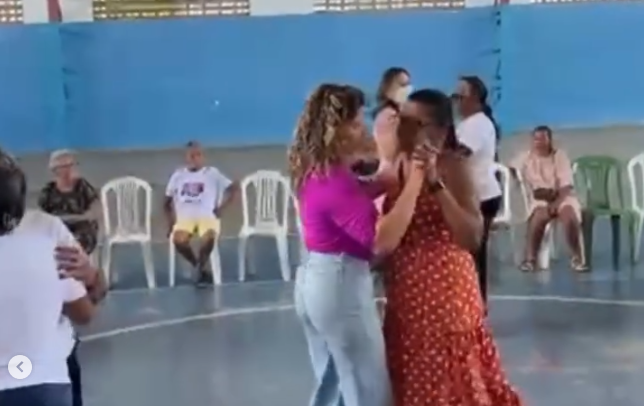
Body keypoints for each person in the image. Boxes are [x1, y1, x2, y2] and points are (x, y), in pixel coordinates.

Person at [378, 89, 522, 406]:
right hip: (405, 297)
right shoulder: (396, 164)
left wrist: (435, 184)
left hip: (445, 295)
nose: (405, 130)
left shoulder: (454, 166)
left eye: (416, 123)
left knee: (447, 383)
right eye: (402, 120)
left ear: (440, 131)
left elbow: (471, 237)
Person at [288, 83, 391, 406]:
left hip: (316, 278)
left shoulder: (318, 169)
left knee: (335, 387)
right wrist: (413, 184)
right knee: (366, 388)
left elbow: (351, 200)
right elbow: (378, 242)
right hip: (339, 285)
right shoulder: (334, 181)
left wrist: (385, 181)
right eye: (357, 123)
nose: (364, 130)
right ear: (338, 130)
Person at [0, 149, 105, 406]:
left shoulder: (46, 229)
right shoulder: (44, 232)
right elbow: (84, 313)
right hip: (45, 379)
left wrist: (92, 277)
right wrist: (94, 279)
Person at [452, 75, 502, 303]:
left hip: (481, 195)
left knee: (474, 254)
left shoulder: (478, 124)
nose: (456, 102)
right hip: (471, 194)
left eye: (459, 97)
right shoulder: (466, 123)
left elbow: (460, 154)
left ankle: (477, 304)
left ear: (473, 99)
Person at [510, 125, 586, 272]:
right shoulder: (527, 157)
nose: (539, 143)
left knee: (569, 216)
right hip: (540, 199)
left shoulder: (559, 156)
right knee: (538, 217)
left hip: (562, 197)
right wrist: (520, 181)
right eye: (536, 139)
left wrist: (557, 203)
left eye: (543, 139)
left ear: (550, 140)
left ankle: (577, 258)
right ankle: (530, 260)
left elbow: (566, 185)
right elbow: (511, 168)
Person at [164, 141, 237, 287]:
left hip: (207, 217)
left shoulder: (212, 173)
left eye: (197, 155)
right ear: (186, 158)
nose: (194, 158)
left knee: (208, 238)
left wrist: (222, 208)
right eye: (191, 155)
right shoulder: (178, 175)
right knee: (179, 240)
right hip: (185, 218)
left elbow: (234, 188)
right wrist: (170, 222)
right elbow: (166, 202)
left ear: (202, 157)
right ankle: (199, 266)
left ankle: (200, 269)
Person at [38, 149, 102, 256]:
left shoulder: (82, 186)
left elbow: (95, 208)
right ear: (55, 171)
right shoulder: (48, 192)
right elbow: (44, 217)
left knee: (80, 240)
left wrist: (86, 216)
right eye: (66, 166)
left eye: (72, 165)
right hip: (58, 230)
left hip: (82, 231)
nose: (71, 169)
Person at [373, 67, 412, 169]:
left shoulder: (397, 114)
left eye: (409, 84)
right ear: (388, 88)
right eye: (403, 85)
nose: (408, 89)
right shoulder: (389, 116)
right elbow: (391, 153)